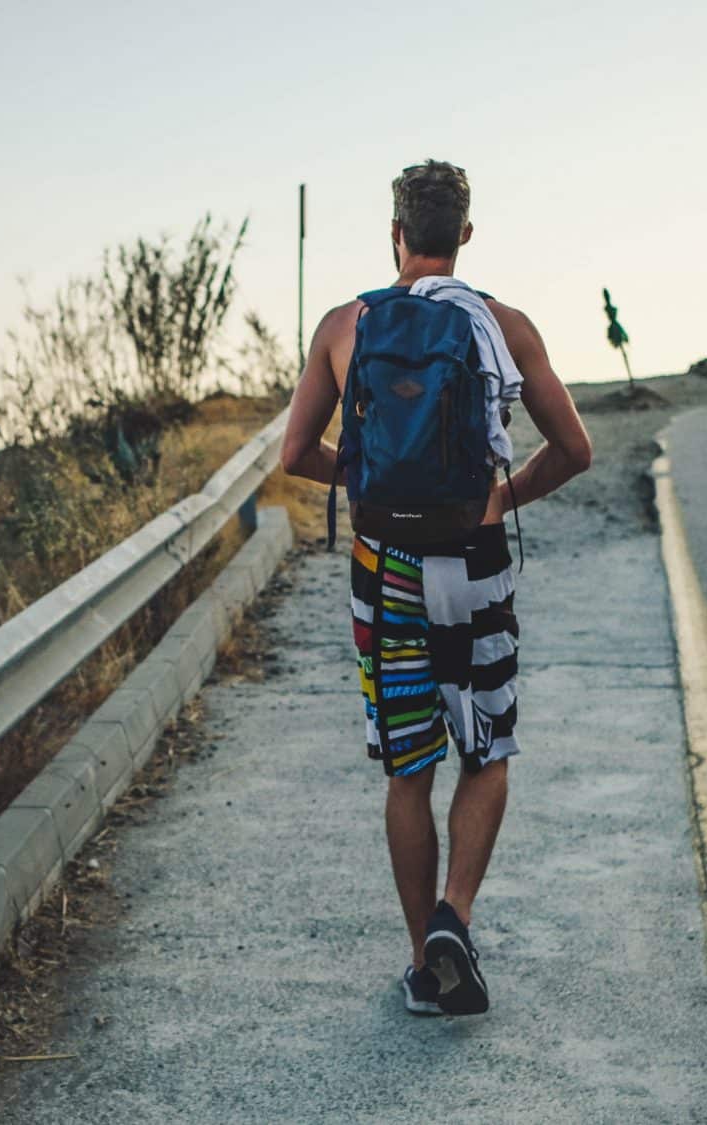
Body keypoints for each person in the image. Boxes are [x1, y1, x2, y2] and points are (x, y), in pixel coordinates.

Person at [279, 160, 593, 1015]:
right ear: (464, 234)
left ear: (394, 235)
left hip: (383, 572)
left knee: (407, 767)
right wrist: (500, 494)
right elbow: (575, 450)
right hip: (475, 560)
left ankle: (427, 964)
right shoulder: (504, 325)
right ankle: (457, 911)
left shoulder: (347, 326)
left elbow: (293, 453)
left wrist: (371, 480)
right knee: (485, 749)